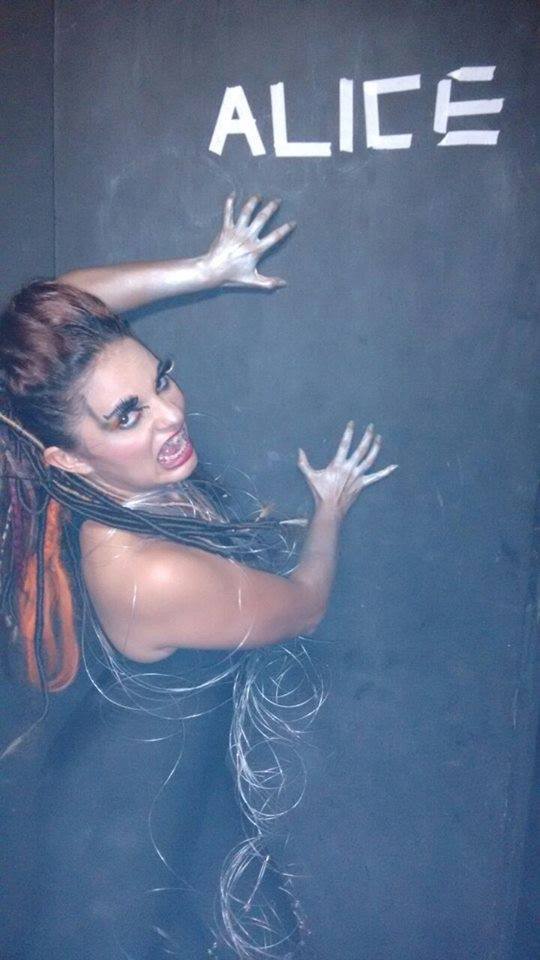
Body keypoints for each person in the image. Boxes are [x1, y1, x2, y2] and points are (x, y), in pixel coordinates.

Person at [0, 195, 397, 959]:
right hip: (120, 872)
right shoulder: (146, 575)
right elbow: (305, 606)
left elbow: (68, 306)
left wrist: (206, 268)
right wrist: (329, 509)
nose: (170, 415)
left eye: (163, 380)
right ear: (66, 458)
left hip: (127, 795)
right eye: (127, 416)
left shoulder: (72, 456)